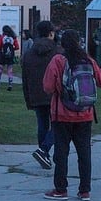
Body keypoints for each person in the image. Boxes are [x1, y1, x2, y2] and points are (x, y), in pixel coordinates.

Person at [42, 29, 101, 201]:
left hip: (61, 114)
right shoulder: (87, 60)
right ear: (79, 42)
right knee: (84, 153)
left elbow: (48, 87)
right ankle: (84, 190)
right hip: (85, 114)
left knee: (61, 153)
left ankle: (61, 189)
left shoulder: (58, 60)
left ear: (62, 43)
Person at [22, 21, 61, 169]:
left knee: (42, 125)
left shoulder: (29, 54)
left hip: (36, 94)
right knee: (57, 124)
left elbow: (25, 78)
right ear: (51, 33)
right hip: (54, 94)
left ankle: (44, 154)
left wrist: (28, 98)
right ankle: (44, 149)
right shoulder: (57, 52)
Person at [0, 25, 20, 91]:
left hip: (2, 55)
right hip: (10, 56)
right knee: (10, 70)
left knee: (0, 69)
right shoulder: (13, 38)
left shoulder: (2, 37)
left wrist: (1, 49)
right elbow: (17, 47)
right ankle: (10, 84)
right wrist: (11, 50)